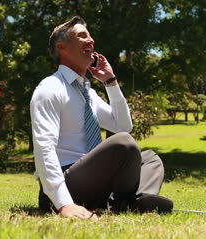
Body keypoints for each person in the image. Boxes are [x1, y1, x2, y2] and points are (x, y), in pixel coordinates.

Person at [30, 16, 173, 219]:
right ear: (62, 47)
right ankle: (127, 203)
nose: (91, 41)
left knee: (150, 159)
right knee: (123, 144)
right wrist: (64, 204)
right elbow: (44, 149)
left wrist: (110, 82)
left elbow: (123, 126)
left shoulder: (87, 92)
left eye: (90, 36)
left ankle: (137, 201)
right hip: (68, 182)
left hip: (92, 180)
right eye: (82, 36)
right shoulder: (50, 89)